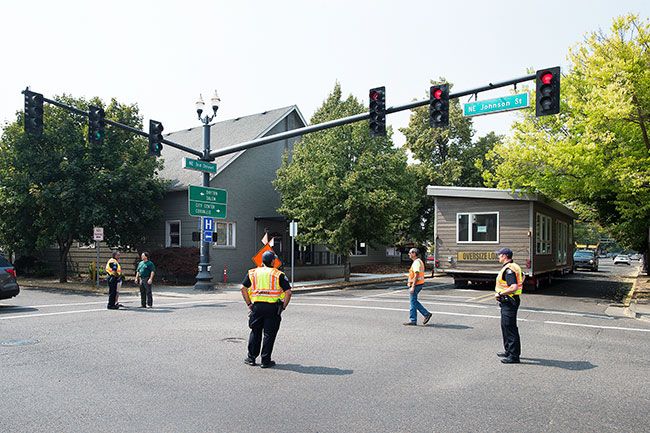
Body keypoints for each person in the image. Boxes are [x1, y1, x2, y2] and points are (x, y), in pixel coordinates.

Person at [241, 250, 292, 368]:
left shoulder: (253, 273)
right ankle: (265, 360)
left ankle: (251, 358)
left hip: (257, 307)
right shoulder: (278, 274)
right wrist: (283, 306)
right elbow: (288, 292)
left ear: (262, 261)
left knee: (255, 331)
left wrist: (249, 304)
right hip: (272, 308)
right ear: (273, 261)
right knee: (269, 334)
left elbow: (243, 288)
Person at [494, 247, 524, 364]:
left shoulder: (509, 269)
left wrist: (500, 293)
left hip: (509, 301)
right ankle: (508, 350)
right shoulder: (514, 266)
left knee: (510, 328)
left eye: (499, 255)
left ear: (505, 256)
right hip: (509, 300)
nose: (498, 257)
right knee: (505, 326)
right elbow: (522, 277)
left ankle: (514, 356)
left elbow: (513, 287)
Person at [404, 248, 432, 326]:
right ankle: (426, 314)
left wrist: (412, 286)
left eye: (410, 253)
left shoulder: (416, 262)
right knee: (414, 301)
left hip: (416, 285)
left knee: (413, 302)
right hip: (419, 284)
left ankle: (414, 320)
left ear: (414, 253)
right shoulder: (418, 261)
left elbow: (416, 274)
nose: (408, 254)